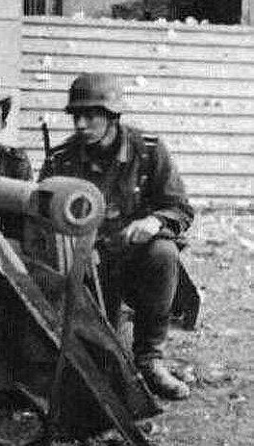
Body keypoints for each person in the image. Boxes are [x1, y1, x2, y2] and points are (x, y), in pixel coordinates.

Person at [39, 73, 194, 400]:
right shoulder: (61, 160)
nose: (80, 124)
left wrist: (154, 221)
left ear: (112, 116)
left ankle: (150, 358)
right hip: (87, 264)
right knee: (98, 363)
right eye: (75, 116)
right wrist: (77, 251)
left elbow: (180, 209)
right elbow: (42, 221)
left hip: (135, 260)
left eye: (90, 115)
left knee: (164, 253)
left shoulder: (149, 152)